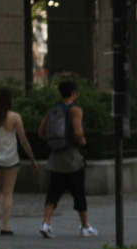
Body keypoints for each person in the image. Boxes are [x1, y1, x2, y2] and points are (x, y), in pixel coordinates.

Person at [37, 79, 95, 238]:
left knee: (53, 191)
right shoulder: (75, 110)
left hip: (55, 159)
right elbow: (78, 132)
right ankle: (85, 226)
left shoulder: (52, 110)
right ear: (74, 93)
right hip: (72, 158)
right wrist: (82, 140)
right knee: (79, 192)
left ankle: (46, 222)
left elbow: (41, 132)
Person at [0, 87, 37, 236]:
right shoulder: (15, 117)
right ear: (9, 101)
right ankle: (5, 227)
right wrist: (32, 158)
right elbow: (23, 141)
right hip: (11, 159)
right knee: (8, 193)